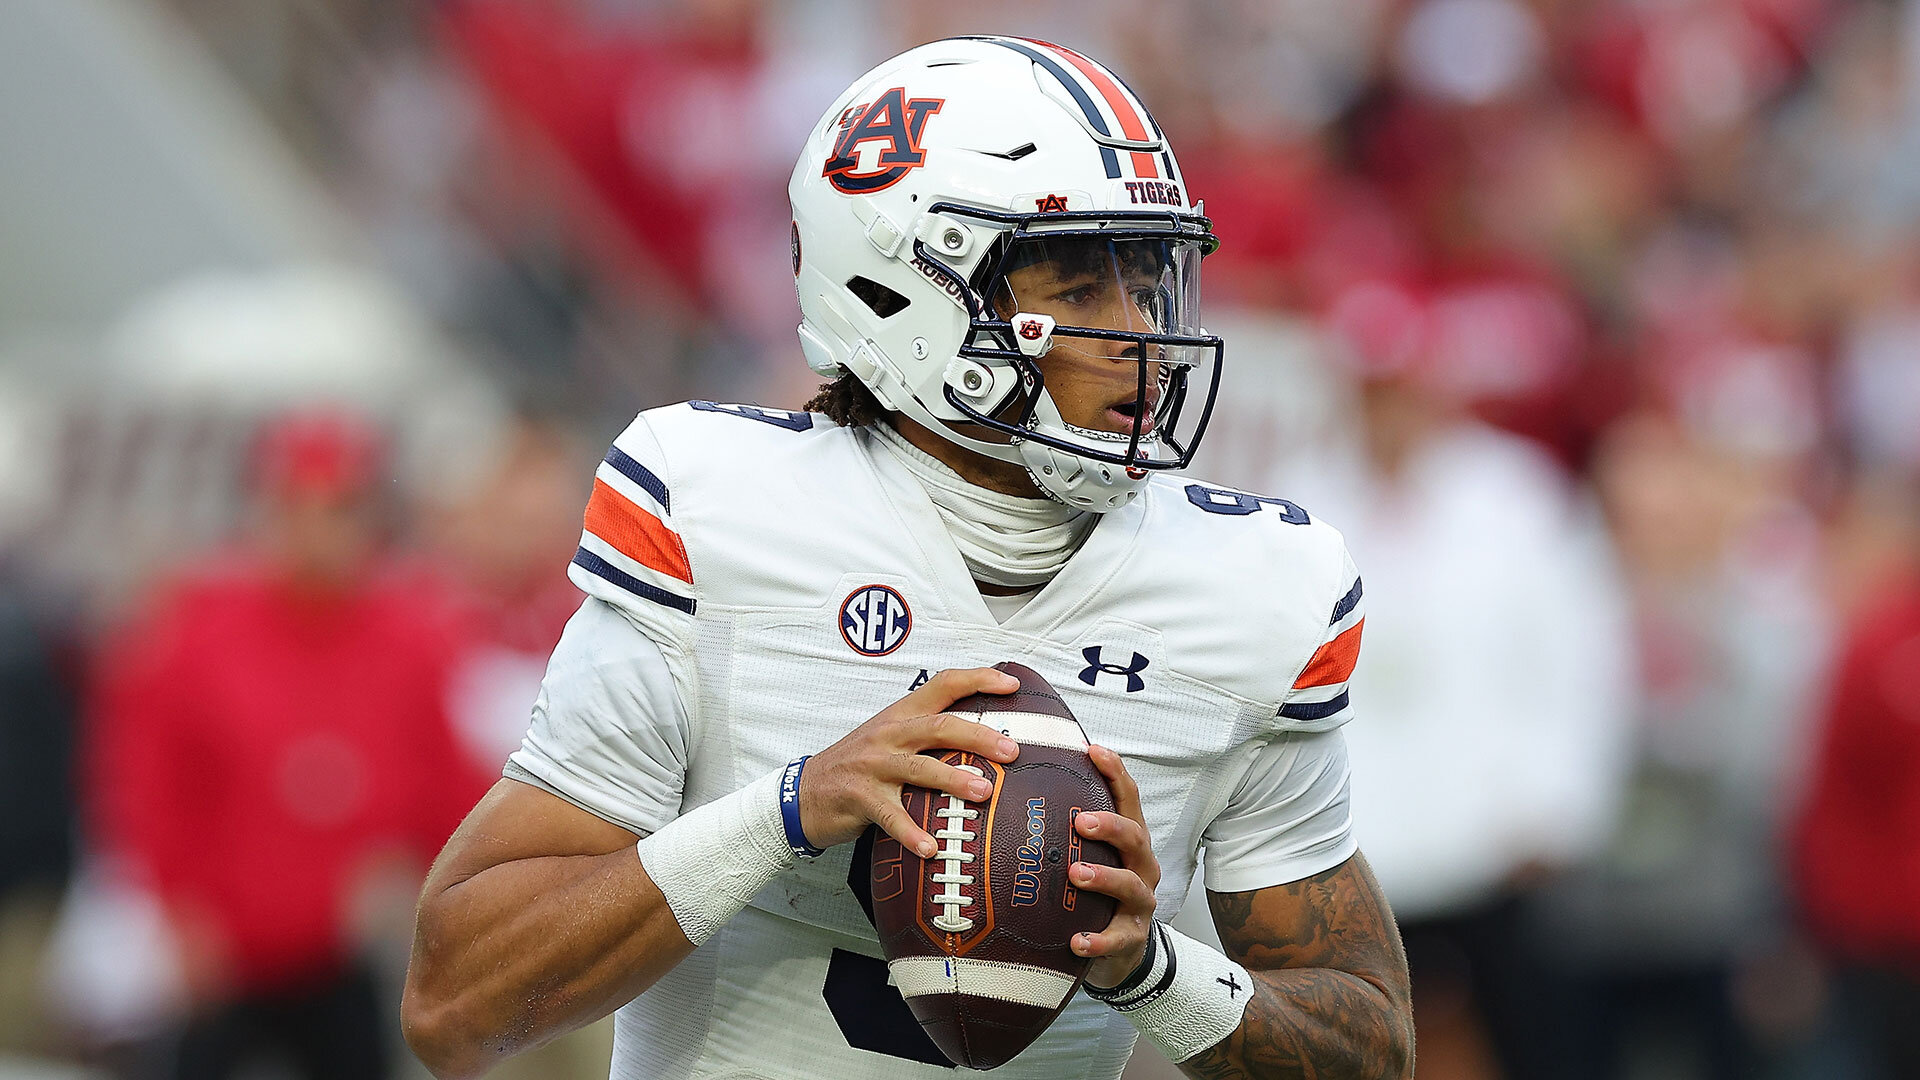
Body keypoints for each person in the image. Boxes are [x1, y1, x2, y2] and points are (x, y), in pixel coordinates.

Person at [402, 38, 1413, 1080]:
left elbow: (1369, 1051)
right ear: (903, 293)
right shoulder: (724, 517)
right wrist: (783, 814)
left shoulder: (1249, 592)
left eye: (1148, 281)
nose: (1136, 335)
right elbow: (456, 1007)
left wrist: (1153, 973)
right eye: (1078, 287)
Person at [88, 410, 484, 1080]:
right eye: (300, 507)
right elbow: (144, 777)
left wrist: (427, 880)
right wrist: (174, 905)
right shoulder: (200, 627)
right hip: (223, 953)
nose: (319, 530)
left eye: (340, 509)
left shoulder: (408, 637)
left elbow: (446, 783)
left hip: (344, 951)